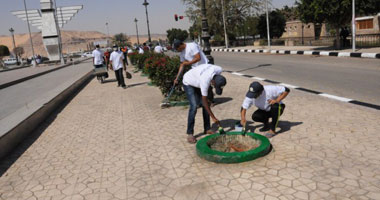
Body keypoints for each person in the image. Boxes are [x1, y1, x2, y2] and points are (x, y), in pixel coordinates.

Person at [182, 63, 227, 143]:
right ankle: (190, 133)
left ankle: (207, 129)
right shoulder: (205, 81)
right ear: (212, 81)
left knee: (207, 103)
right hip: (188, 81)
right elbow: (204, 101)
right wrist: (213, 117)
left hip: (198, 79)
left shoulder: (219, 69)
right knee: (194, 106)